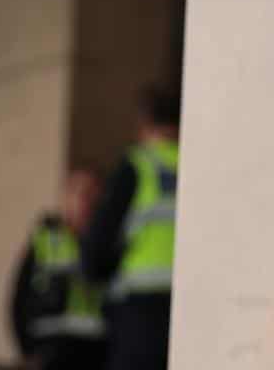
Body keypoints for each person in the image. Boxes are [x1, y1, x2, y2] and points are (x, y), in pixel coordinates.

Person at [82, 86, 180, 370]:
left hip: (142, 310)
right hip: (192, 302)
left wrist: (97, 270)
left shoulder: (139, 166)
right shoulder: (199, 164)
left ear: (145, 123)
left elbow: (99, 243)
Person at [9, 168, 107, 370]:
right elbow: (19, 299)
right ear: (64, 197)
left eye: (90, 193)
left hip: (96, 351)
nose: (83, 200)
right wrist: (27, 350)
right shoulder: (44, 240)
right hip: (50, 351)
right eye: (76, 192)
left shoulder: (108, 243)